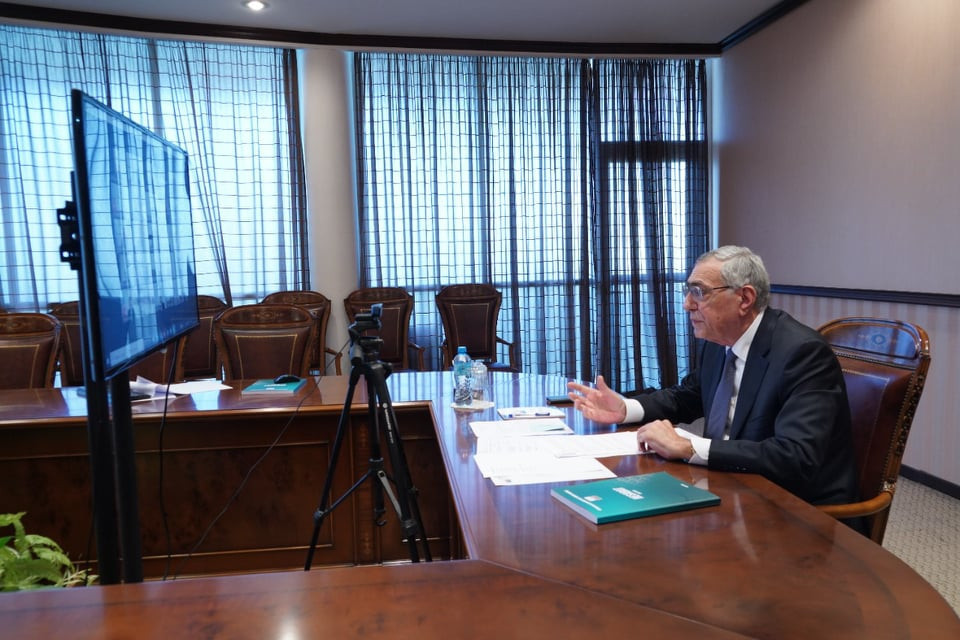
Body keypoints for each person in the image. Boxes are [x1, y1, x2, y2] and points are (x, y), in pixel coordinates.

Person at [567, 245, 858, 507]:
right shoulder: (720, 343)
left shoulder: (801, 353)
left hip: (792, 507)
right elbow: (687, 396)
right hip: (730, 486)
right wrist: (625, 408)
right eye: (688, 291)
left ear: (744, 298)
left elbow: (795, 456)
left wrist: (688, 447)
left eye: (700, 292)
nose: (687, 304)